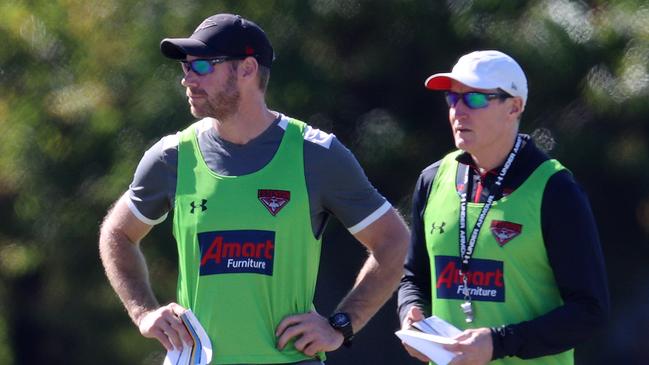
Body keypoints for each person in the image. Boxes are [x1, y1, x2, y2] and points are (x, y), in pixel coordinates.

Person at [99, 13, 409, 365]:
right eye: (185, 67)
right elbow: (117, 233)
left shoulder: (316, 155)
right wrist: (143, 313)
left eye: (201, 65)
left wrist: (340, 324)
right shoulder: (171, 157)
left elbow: (394, 242)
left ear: (246, 69)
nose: (187, 79)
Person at [397, 50, 609, 364]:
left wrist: (500, 342)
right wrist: (410, 311)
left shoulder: (555, 189)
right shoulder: (433, 180)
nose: (459, 111)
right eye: (452, 99)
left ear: (514, 107)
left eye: (476, 99)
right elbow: (413, 276)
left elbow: (590, 311)